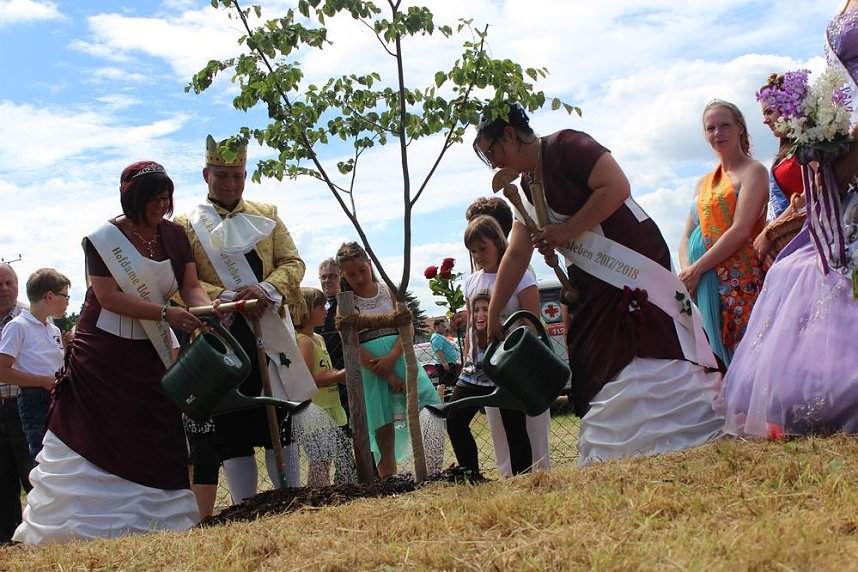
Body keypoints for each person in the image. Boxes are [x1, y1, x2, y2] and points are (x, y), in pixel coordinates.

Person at [473, 103, 724, 466]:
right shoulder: (524, 187)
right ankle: (616, 447)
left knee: (646, 339)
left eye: (492, 152)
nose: (494, 163)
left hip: (631, 258)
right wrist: (496, 310)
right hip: (589, 277)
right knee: (598, 350)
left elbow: (617, 186)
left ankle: (685, 429)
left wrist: (565, 231)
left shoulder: (567, 145)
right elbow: (516, 252)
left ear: (510, 135)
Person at [13, 161, 219, 545]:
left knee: (155, 427)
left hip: (151, 351)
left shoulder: (175, 235)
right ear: (132, 199)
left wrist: (206, 307)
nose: (161, 206)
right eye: (152, 199)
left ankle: (161, 519)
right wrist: (165, 313)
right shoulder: (103, 239)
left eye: (166, 198)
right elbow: (107, 296)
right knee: (96, 429)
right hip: (104, 355)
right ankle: (83, 524)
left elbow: (190, 286)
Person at [723, 5, 858, 438]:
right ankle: (808, 398)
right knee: (792, 270)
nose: (767, 118)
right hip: (829, 199)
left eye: (770, 110)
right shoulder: (791, 149)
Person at [174, 135, 317, 502]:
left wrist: (265, 290)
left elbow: (293, 262)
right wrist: (229, 299)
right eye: (222, 175)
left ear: (245, 175)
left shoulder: (267, 214)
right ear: (206, 174)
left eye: (237, 175)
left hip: (270, 333)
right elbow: (178, 283)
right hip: (221, 335)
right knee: (232, 427)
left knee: (279, 421)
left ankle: (291, 498)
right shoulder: (185, 224)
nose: (230, 183)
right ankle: (244, 507)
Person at [336, 241, 442, 476]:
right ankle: (389, 479)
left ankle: (434, 471)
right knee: (383, 426)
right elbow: (350, 343)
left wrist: (393, 357)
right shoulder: (346, 303)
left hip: (402, 358)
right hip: (371, 370)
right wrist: (385, 372)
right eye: (351, 274)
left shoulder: (387, 291)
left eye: (362, 270)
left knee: (429, 407)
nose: (359, 278)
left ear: (370, 264)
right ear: (343, 275)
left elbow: (408, 327)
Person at [464, 197, 552, 475]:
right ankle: (509, 476)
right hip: (491, 363)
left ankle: (538, 476)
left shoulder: (520, 267)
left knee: (532, 427)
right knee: (500, 428)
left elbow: (530, 319)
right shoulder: (477, 276)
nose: (476, 252)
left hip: (520, 360)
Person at [447, 215, 540, 476]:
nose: (478, 255)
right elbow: (470, 323)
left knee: (514, 427)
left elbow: (532, 322)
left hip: (508, 366)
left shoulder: (521, 277)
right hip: (475, 368)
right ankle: (471, 476)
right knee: (455, 419)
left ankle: (523, 482)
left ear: (498, 242)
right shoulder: (471, 281)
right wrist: (467, 355)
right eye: (473, 251)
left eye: (483, 248)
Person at [678, 100, 768, 366]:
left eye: (725, 125)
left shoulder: (754, 172)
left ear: (740, 128)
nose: (718, 133)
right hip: (702, 282)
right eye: (711, 128)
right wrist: (687, 272)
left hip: (738, 281)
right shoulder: (703, 183)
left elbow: (740, 229)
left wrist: (697, 269)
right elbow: (686, 235)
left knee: (744, 356)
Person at [0, 268, 70, 459]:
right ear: (49, 296)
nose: (67, 302)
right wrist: (43, 381)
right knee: (42, 456)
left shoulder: (53, 329)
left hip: (56, 396)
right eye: (65, 296)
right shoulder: (18, 326)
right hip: (34, 398)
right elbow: (2, 371)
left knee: (59, 456)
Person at [292, 287, 353, 486]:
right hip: (316, 410)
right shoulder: (303, 342)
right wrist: (337, 376)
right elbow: (307, 379)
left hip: (330, 406)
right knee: (320, 461)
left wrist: (337, 374)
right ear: (305, 310)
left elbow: (325, 369)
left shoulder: (318, 338)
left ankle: (322, 493)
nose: (326, 311)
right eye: (320, 307)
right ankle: (317, 494)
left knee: (326, 460)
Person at [752, 73, 807, 269]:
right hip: (790, 239)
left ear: (788, 107)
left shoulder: (812, 144)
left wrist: (769, 234)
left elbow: (813, 192)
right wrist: (771, 237)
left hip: (811, 237)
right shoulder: (782, 156)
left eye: (769, 112)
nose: (765, 120)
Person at [0, 263, 33, 545]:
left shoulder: (30, 317)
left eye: (8, 283)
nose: (4, 289)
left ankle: (38, 533)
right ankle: (6, 540)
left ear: (17, 284)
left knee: (31, 472)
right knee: (1, 479)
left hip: (22, 406)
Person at [316, 258, 349, 423]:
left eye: (332, 276)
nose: (327, 280)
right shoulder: (315, 307)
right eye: (323, 277)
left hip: (347, 374)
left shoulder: (347, 304)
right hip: (325, 376)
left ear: (341, 277)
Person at [429, 318, 460, 401]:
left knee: (447, 382)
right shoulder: (437, 337)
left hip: (448, 363)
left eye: (444, 326)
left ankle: (445, 400)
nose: (444, 328)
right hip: (445, 364)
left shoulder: (440, 337)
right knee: (445, 382)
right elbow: (438, 350)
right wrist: (444, 362)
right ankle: (442, 400)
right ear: (436, 327)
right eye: (442, 326)